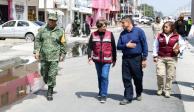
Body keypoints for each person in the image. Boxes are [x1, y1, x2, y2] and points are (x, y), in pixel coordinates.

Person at [34, 12, 67, 101]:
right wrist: (36, 51)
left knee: (52, 74)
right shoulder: (42, 29)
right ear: (48, 20)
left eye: (53, 20)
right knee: (44, 73)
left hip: (54, 56)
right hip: (44, 56)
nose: (51, 22)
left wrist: (63, 54)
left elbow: (63, 43)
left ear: (56, 21)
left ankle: (50, 90)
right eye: (50, 20)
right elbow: (37, 40)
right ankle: (47, 81)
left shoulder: (60, 31)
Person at [117, 15, 148, 105]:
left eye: (123, 22)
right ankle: (127, 97)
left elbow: (144, 45)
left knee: (138, 78)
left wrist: (144, 58)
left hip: (137, 58)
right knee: (126, 78)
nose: (121, 24)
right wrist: (126, 45)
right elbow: (118, 46)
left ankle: (139, 92)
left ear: (129, 22)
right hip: (126, 59)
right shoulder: (122, 33)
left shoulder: (139, 32)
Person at [87, 19, 117, 103]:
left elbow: (114, 47)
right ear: (99, 27)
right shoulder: (93, 35)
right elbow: (90, 47)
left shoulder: (110, 34)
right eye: (104, 26)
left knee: (104, 76)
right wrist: (89, 56)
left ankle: (104, 94)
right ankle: (100, 91)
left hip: (107, 60)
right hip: (97, 60)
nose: (105, 27)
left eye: (106, 26)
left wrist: (114, 59)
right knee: (100, 76)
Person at [153, 21, 185, 98]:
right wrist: (154, 55)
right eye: (164, 26)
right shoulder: (159, 36)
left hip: (172, 58)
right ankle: (160, 88)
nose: (164, 28)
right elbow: (155, 46)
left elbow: (183, 45)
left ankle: (167, 90)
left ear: (171, 28)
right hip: (161, 57)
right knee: (160, 74)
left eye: (166, 27)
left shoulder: (177, 36)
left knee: (170, 76)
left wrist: (179, 50)